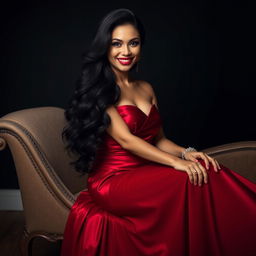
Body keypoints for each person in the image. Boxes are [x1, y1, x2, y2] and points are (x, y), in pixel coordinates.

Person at [60, 8, 256, 256]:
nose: (126, 51)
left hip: (145, 171)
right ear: (105, 48)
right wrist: (176, 163)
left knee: (206, 169)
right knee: (188, 179)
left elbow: (160, 139)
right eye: (116, 44)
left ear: (141, 47)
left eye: (134, 43)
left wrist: (187, 153)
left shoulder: (146, 88)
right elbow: (127, 141)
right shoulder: (102, 91)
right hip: (112, 180)